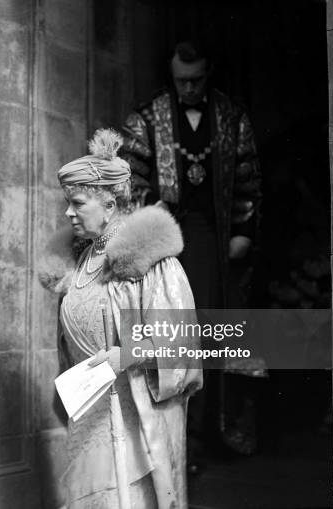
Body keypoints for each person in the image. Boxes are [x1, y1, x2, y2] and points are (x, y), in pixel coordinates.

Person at [39, 129, 202, 509]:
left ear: (110, 205)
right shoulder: (79, 264)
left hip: (133, 413)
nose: (68, 213)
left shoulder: (149, 264)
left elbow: (181, 342)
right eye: (68, 203)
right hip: (90, 414)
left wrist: (125, 356)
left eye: (77, 203)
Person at [120, 40, 263, 463]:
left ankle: (214, 432)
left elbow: (249, 177)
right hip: (167, 239)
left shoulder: (231, 117)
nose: (188, 89)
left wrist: (243, 230)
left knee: (215, 334)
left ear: (208, 72)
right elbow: (127, 175)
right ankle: (181, 440)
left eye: (196, 80)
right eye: (181, 81)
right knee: (173, 336)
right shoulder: (148, 117)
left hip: (214, 242)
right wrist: (150, 204)